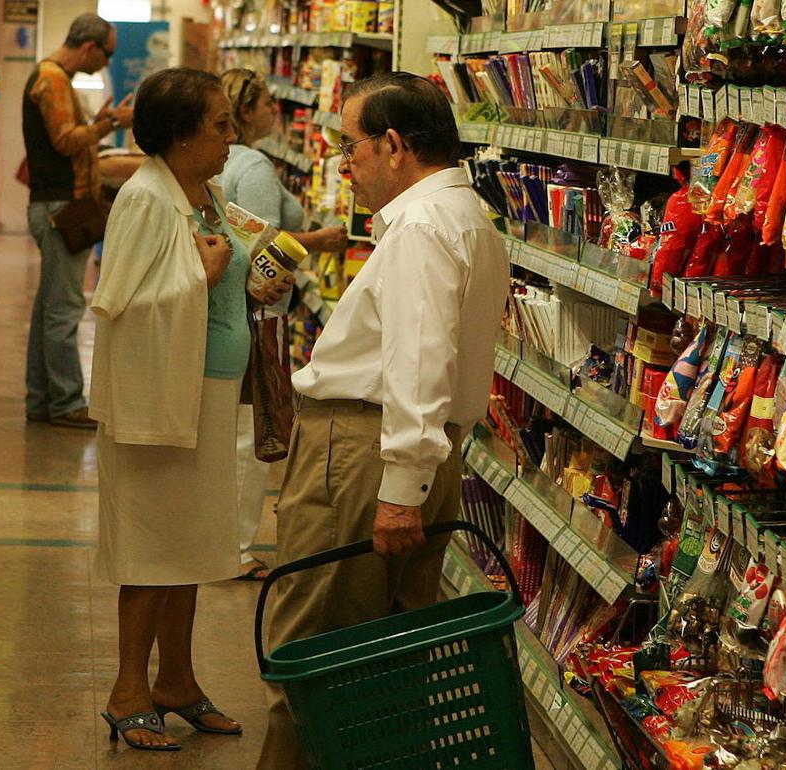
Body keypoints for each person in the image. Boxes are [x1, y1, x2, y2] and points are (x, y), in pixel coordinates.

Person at [255, 72, 510, 769]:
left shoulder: (422, 229)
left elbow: (417, 363)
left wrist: (398, 490)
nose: (342, 164)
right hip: (418, 452)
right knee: (390, 653)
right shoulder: (465, 217)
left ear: (394, 145)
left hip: (364, 454)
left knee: (316, 653)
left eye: (351, 146)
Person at [90, 67, 290, 752]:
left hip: (204, 396)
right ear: (179, 134)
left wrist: (246, 288)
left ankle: (175, 680)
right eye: (220, 126)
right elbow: (116, 303)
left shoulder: (199, 193)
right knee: (150, 548)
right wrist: (197, 278)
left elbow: (217, 276)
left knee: (192, 547)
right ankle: (127, 691)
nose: (232, 138)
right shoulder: (146, 198)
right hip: (159, 404)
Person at [217, 68, 349, 581]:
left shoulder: (231, 163)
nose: (275, 109)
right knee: (253, 436)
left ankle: (222, 541)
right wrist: (320, 240)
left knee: (231, 430)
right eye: (268, 101)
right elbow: (261, 244)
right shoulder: (253, 166)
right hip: (257, 313)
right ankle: (235, 547)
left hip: (232, 314)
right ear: (246, 111)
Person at [21, 13, 133, 429]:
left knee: (49, 307)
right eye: (107, 54)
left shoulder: (55, 77)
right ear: (89, 47)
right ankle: (66, 401)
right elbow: (65, 141)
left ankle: (41, 398)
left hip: (56, 204)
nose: (106, 63)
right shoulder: (52, 78)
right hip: (59, 208)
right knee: (64, 309)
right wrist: (109, 125)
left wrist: (98, 125)